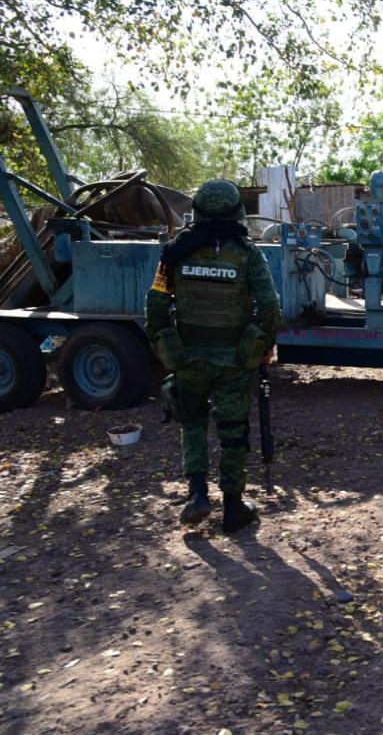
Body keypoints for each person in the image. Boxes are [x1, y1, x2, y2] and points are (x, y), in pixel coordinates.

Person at [146, 179, 282, 533]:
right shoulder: (248, 253)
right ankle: (234, 508)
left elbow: (156, 303)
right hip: (235, 360)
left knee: (192, 422)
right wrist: (264, 346)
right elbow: (270, 305)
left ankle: (197, 495)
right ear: (237, 210)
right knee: (233, 431)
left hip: (189, 358)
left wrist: (163, 348)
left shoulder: (174, 252)